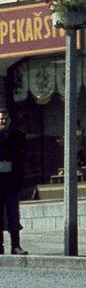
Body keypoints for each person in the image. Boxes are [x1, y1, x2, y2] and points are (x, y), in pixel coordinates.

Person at [0, 107, 27, 256]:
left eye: (5, 118)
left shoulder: (18, 135)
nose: (3, 121)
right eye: (1, 119)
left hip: (12, 181)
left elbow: (23, 157)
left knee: (13, 214)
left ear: (9, 120)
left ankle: (15, 245)